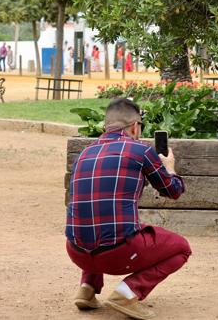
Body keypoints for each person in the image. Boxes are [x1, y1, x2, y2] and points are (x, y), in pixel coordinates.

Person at [65, 98, 191, 319]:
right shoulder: (140, 150)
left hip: (77, 252)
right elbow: (173, 192)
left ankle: (87, 288)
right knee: (181, 248)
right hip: (118, 254)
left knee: (98, 220)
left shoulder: (83, 155)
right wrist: (170, 169)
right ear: (134, 126)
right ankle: (126, 293)